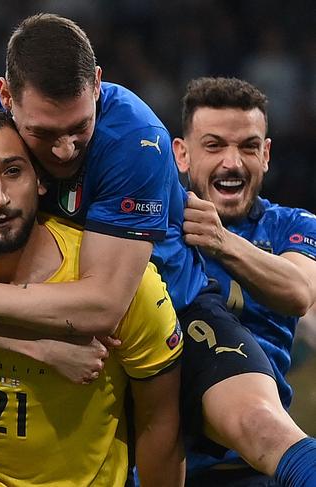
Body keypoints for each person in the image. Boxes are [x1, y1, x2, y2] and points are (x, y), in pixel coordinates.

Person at [0, 13, 315, 484]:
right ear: (6, 97)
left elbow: (104, 305)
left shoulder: (134, 138)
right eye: (44, 134)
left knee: (261, 427)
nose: (65, 150)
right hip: (52, 326)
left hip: (170, 307)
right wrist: (38, 346)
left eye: (79, 129)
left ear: (98, 85)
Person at [0, 108, 184, 486]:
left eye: (13, 171)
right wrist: (42, 348)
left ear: (40, 180)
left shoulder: (126, 287)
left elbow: (159, 424)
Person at [172, 76, 316, 486]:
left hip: (256, 464)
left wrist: (221, 242)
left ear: (266, 154)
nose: (232, 162)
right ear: (182, 154)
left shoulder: (293, 225)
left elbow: (298, 292)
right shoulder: (155, 227)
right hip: (158, 458)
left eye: (248, 146)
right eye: (214, 145)